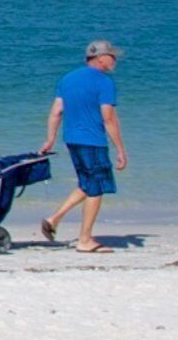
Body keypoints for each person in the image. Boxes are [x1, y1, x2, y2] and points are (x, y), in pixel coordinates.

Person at [37, 39, 124, 253]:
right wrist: (120, 149)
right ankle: (85, 240)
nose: (114, 60)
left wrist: (50, 139)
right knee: (96, 188)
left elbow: (56, 111)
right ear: (101, 58)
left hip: (72, 140)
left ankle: (53, 218)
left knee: (86, 182)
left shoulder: (67, 79)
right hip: (92, 140)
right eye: (112, 56)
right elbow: (109, 118)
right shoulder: (104, 82)